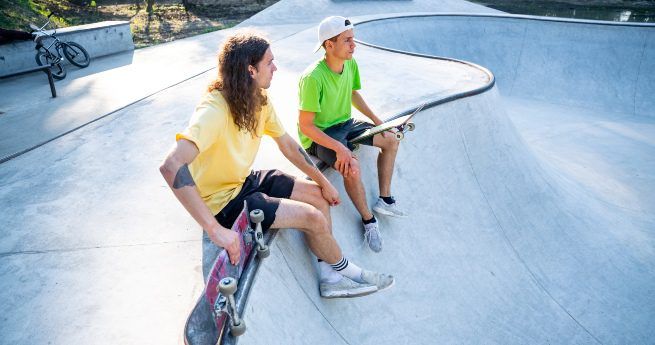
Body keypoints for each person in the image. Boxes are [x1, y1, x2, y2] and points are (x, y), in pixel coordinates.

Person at [159, 31, 393, 298]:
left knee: (318, 196)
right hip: (221, 203)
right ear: (250, 69)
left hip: (242, 181)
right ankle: (351, 272)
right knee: (312, 217)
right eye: (269, 62)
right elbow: (171, 165)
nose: (275, 67)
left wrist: (323, 181)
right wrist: (216, 230)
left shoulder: (258, 98)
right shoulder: (215, 109)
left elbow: (288, 145)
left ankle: (329, 277)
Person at [298, 16, 406, 253]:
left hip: (346, 123)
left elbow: (353, 94)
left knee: (391, 139)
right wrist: (339, 148)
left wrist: (380, 123)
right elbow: (306, 126)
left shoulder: (350, 64)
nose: (353, 45)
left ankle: (384, 199)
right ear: (329, 45)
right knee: (351, 165)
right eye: (347, 40)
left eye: (353, 39)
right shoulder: (312, 78)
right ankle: (368, 220)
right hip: (321, 134)